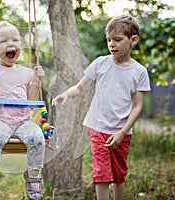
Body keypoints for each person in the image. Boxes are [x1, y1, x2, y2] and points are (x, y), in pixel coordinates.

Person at [52, 15, 151, 200]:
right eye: (109, 40)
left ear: (133, 40)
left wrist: (122, 132)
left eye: (118, 40)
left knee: (119, 175)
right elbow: (81, 86)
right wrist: (66, 94)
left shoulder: (139, 72)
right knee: (102, 174)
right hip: (97, 127)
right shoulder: (101, 63)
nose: (112, 44)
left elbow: (138, 106)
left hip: (122, 132)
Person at [0, 21, 45, 200]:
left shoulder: (26, 72)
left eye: (15, 40)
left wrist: (37, 80)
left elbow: (30, 98)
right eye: (3, 41)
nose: (11, 44)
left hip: (23, 121)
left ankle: (33, 177)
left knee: (38, 139)